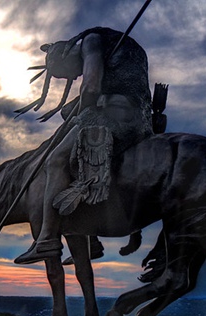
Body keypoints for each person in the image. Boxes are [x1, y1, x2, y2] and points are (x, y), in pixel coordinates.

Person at [14, 27, 153, 264]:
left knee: (56, 160)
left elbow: (90, 86)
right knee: (78, 158)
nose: (75, 75)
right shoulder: (122, 45)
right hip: (141, 117)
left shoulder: (91, 41)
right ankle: (91, 242)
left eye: (71, 72)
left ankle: (47, 239)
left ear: (67, 55)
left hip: (114, 115)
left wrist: (79, 114)